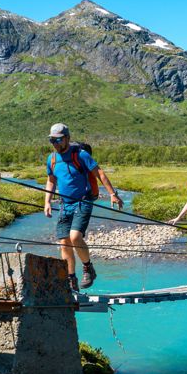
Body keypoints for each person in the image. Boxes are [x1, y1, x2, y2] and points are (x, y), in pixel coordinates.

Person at [44, 123, 123, 291]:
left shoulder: (81, 155)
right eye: (52, 140)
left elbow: (99, 173)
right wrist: (47, 202)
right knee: (64, 242)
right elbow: (51, 181)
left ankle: (88, 268)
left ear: (67, 138)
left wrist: (112, 194)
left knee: (74, 237)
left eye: (58, 140)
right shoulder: (51, 159)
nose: (55, 144)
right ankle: (71, 278)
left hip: (83, 200)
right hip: (66, 204)